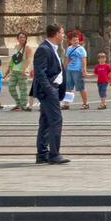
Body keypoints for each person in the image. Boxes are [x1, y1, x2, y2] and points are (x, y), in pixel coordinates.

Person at [32, 24, 69, 164]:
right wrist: (50, 91)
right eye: (62, 33)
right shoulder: (43, 49)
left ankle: (42, 154)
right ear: (56, 34)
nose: (63, 35)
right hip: (48, 91)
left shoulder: (53, 48)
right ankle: (54, 154)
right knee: (56, 120)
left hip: (53, 89)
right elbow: (40, 74)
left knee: (46, 122)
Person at [6, 34, 31, 112]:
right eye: (20, 37)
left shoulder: (27, 47)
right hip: (14, 70)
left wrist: (24, 69)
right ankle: (18, 103)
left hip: (22, 71)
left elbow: (29, 59)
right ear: (17, 39)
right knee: (11, 87)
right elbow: (13, 58)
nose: (22, 38)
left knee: (23, 89)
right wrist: (9, 68)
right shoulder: (16, 46)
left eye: (24, 37)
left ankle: (23, 106)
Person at [64, 31, 88, 110]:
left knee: (80, 87)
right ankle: (67, 104)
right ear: (70, 41)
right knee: (68, 88)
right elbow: (67, 59)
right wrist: (64, 68)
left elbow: (83, 59)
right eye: (74, 40)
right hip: (69, 70)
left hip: (77, 70)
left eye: (77, 40)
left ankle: (85, 103)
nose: (76, 41)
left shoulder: (81, 49)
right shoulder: (69, 49)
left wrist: (84, 69)